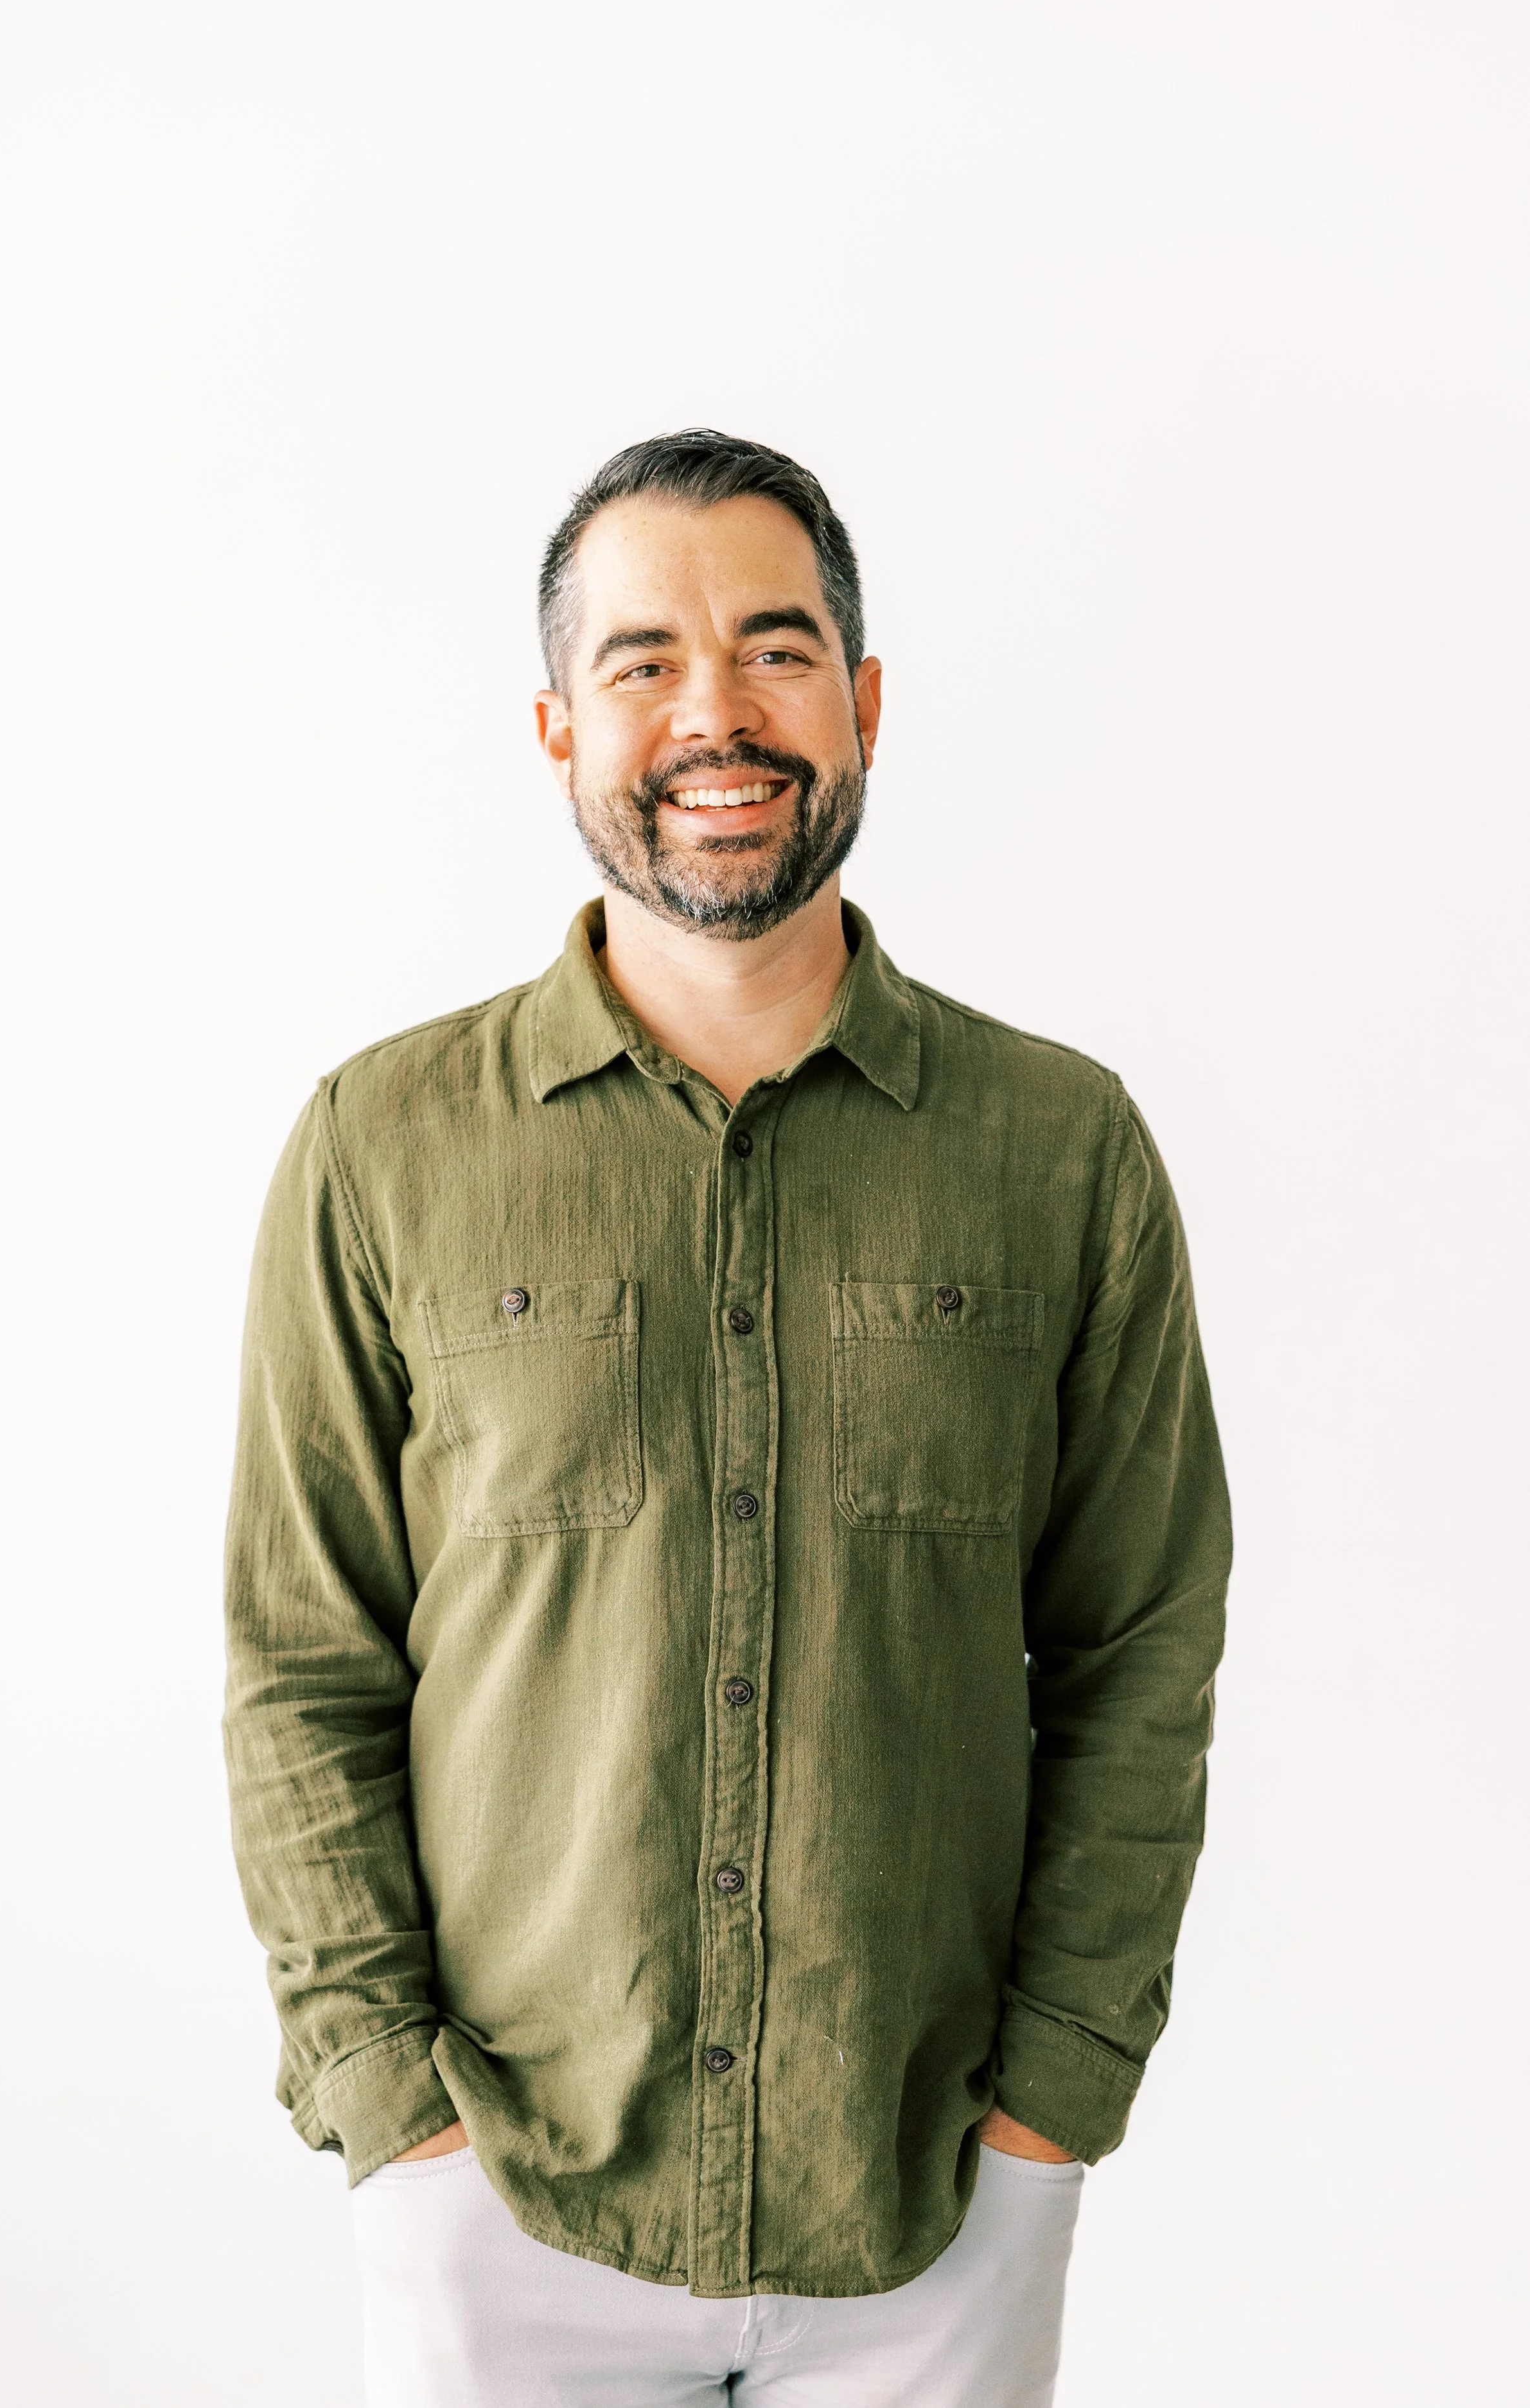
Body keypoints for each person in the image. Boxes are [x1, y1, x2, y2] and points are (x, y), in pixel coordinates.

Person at [223, 429, 1231, 2406]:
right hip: (500, 2198)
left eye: (776, 651)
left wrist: (1050, 2110)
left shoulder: (1059, 1151)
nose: (715, 714)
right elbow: (301, 1660)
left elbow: (1138, 1643)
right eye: (643, 662)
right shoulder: (382, 1147)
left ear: (862, 703)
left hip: (929, 2206)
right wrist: (386, 2108)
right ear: (556, 726)